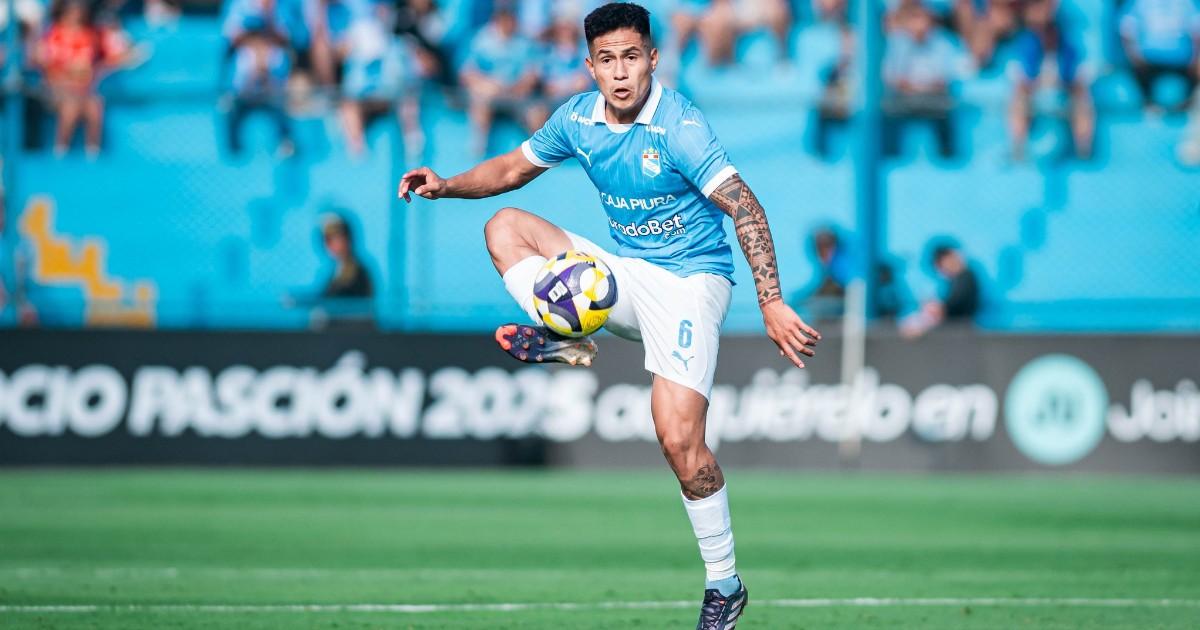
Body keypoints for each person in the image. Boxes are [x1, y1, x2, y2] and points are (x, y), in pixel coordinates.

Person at [398, 4, 820, 627]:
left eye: (631, 57)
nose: (621, 73)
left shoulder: (679, 126)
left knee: (679, 441)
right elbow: (511, 168)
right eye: (607, 60)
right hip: (622, 277)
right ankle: (567, 333)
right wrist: (446, 184)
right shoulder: (577, 118)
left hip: (690, 282)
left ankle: (724, 584)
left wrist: (771, 301)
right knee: (505, 227)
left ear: (653, 58)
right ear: (590, 66)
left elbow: (745, 206)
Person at [1008, 0, 1094, 160]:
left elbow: (1076, 76)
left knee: (1082, 97)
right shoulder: (1026, 43)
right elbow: (1023, 78)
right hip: (1035, 91)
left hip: (1063, 91)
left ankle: (1084, 149)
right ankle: (1018, 148)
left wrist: (1065, 84)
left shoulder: (1067, 44)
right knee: (1019, 96)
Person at [459, 2, 545, 156]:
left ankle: (542, 153)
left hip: (517, 94)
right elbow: (467, 73)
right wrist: (487, 85)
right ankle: (479, 150)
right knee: (480, 102)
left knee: (537, 113)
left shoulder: (525, 43)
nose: (508, 24)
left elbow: (533, 75)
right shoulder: (481, 41)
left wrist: (517, 88)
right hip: (490, 93)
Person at [882, 2, 961, 160]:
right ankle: (891, 158)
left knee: (946, 110)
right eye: (914, 18)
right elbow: (892, 78)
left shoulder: (944, 44)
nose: (919, 24)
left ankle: (948, 160)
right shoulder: (897, 43)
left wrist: (919, 87)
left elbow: (944, 79)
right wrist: (913, 87)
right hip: (904, 98)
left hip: (934, 99)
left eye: (922, 19)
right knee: (888, 110)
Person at [1118, 0, 1200, 112]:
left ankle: (1187, 105)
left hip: (1180, 57)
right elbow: (1126, 29)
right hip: (1151, 57)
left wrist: (1195, 59)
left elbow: (1196, 30)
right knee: (1137, 71)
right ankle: (1149, 104)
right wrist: (1135, 56)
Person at [901, 241, 979, 337]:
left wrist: (938, 308)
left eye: (940, 265)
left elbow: (955, 303)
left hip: (960, 328)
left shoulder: (965, 277)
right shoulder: (955, 280)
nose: (941, 270)